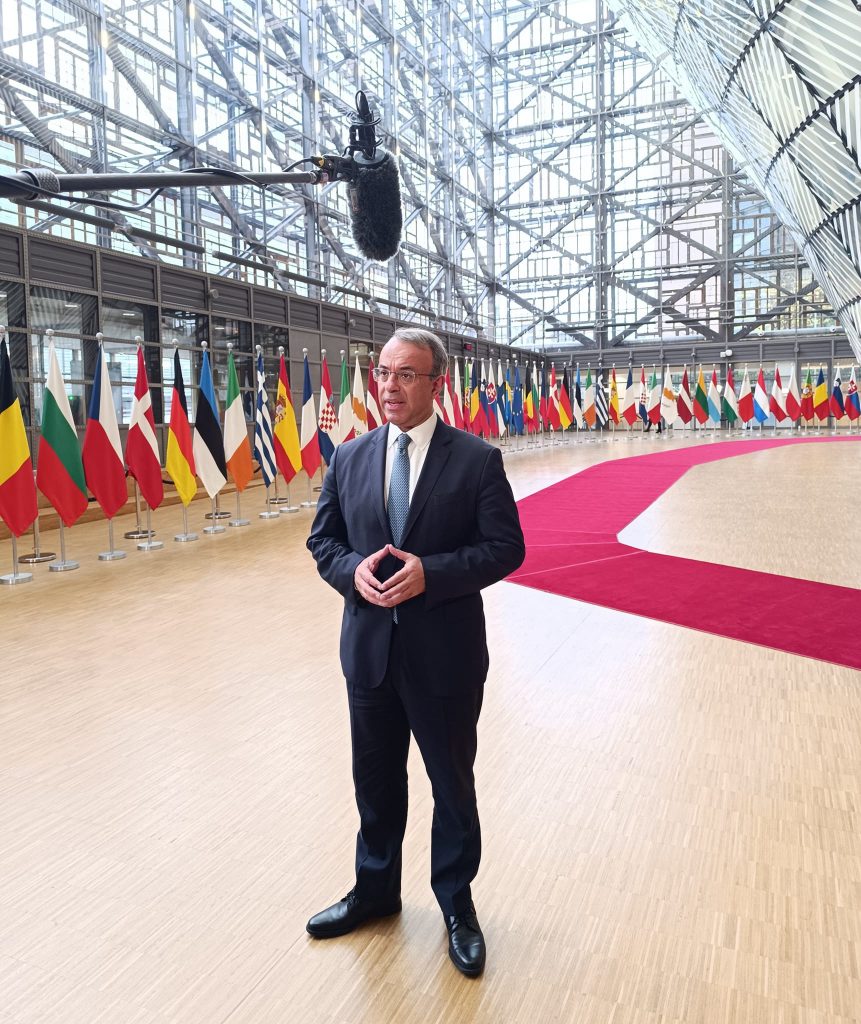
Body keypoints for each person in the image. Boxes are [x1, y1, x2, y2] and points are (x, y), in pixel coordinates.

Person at [306, 327, 525, 977]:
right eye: (383, 372)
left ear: (436, 383)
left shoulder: (475, 460)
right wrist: (352, 573)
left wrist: (432, 572)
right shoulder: (349, 457)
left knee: (451, 786)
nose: (390, 385)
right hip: (368, 655)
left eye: (406, 374)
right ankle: (375, 891)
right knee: (375, 782)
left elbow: (505, 548)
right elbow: (324, 542)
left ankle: (456, 905)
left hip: (444, 657)